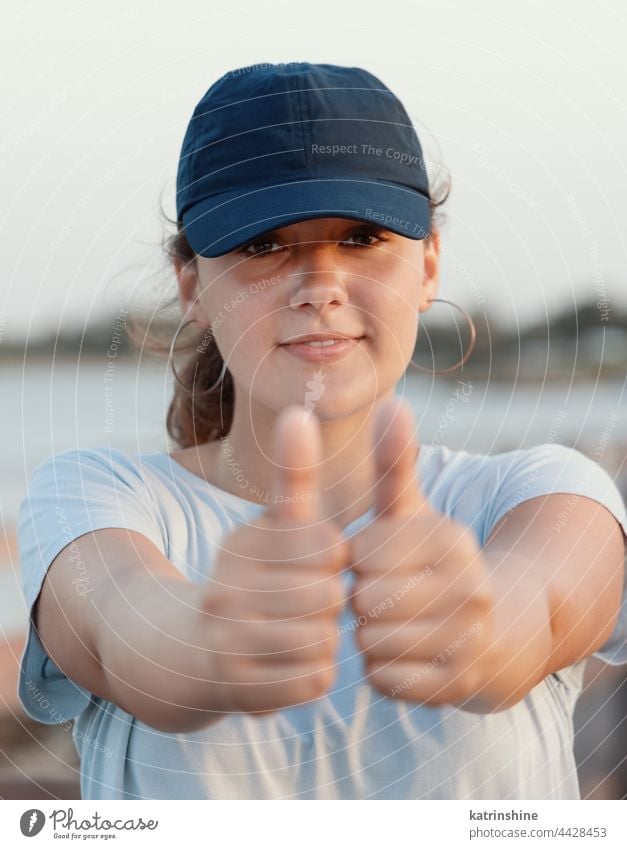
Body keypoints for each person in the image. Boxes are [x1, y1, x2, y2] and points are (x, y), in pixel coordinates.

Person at [17, 62, 627, 800]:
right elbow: (125, 626)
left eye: (363, 238)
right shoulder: (98, 496)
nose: (319, 285)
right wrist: (209, 645)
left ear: (427, 263)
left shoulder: (545, 491)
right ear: (191, 286)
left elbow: (536, 604)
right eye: (264, 246)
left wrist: (482, 630)